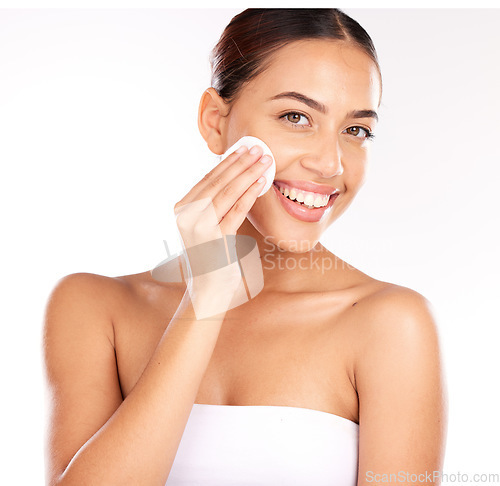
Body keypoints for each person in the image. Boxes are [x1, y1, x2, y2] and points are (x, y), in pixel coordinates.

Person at [43, 8, 447, 485]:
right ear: (216, 121)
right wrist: (206, 298)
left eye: (356, 129)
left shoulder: (391, 324)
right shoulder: (94, 308)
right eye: (296, 116)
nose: (330, 163)